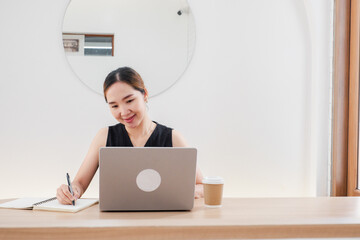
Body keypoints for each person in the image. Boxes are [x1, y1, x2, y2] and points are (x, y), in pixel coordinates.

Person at [56, 67, 204, 205]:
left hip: (161, 220)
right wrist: (70, 191)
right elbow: (79, 184)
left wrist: (183, 192)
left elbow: (202, 186)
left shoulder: (173, 138)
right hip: (115, 222)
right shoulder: (103, 137)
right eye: (114, 106)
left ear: (145, 94)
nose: (124, 112)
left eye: (129, 101)